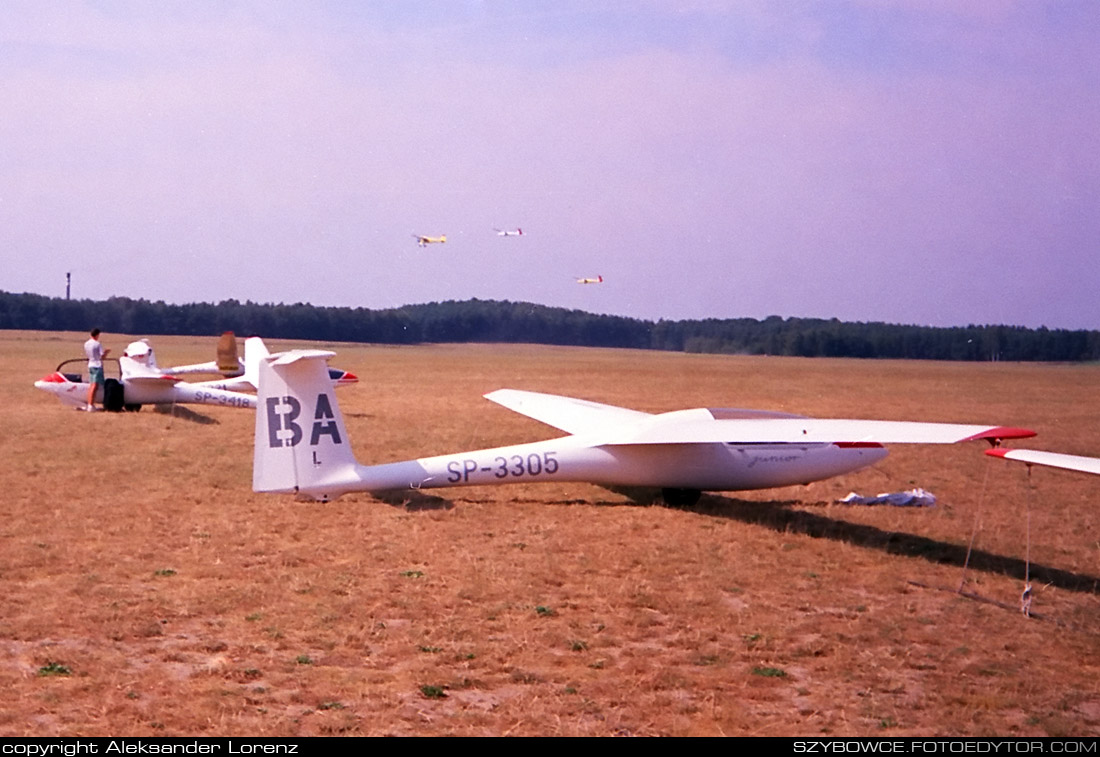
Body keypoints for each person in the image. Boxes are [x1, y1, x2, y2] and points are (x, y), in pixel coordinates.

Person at [84, 329, 110, 411]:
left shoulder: (86, 344)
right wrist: (106, 352)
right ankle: (91, 405)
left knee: (91, 385)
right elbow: (102, 357)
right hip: (97, 365)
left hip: (90, 364)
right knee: (95, 386)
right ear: (97, 335)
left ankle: (89, 404)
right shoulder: (97, 344)